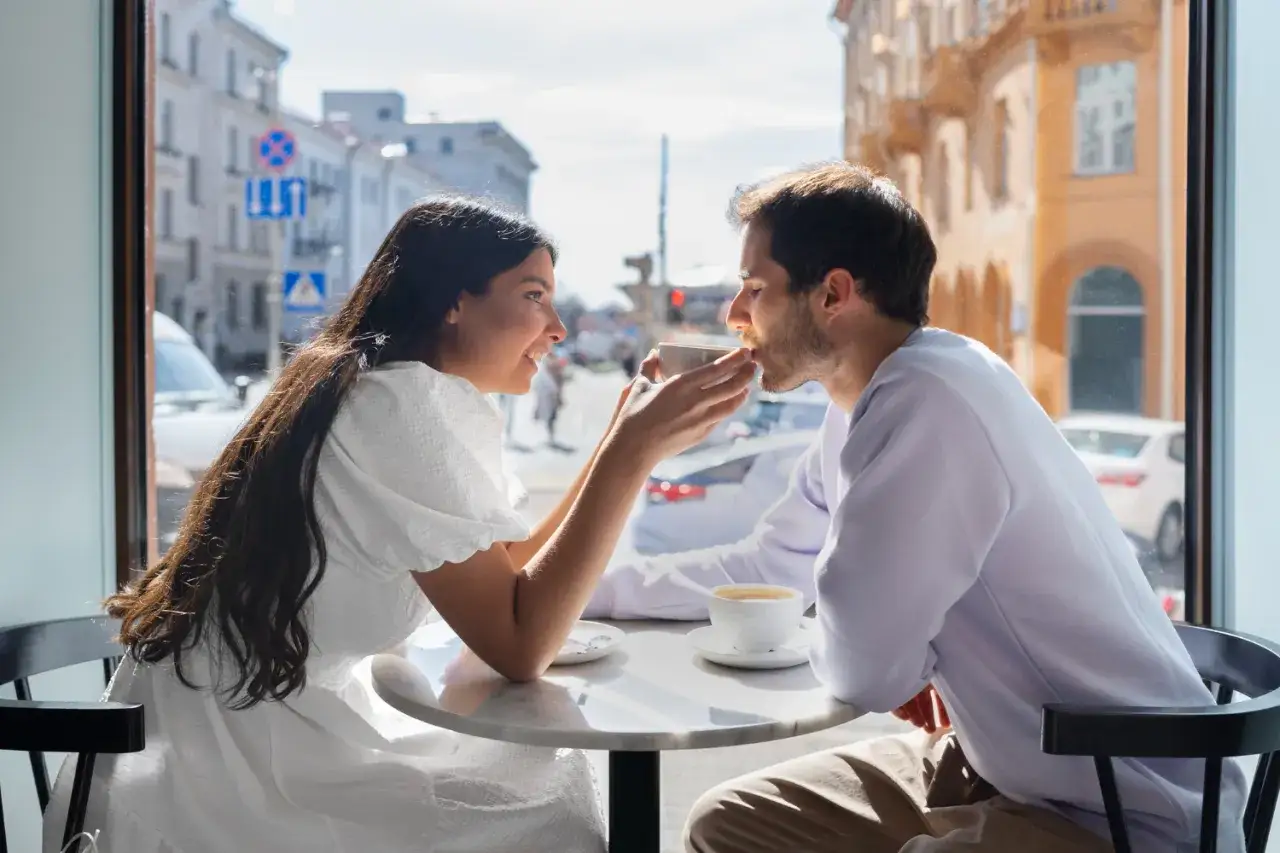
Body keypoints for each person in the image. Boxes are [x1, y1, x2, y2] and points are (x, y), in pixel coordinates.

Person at [43, 196, 757, 853]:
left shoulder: (402, 392)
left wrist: (616, 439)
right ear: (455, 301)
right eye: (533, 296)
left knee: (544, 776)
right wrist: (631, 454)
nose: (559, 327)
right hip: (226, 762)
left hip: (258, 719)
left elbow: (505, 569)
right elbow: (519, 642)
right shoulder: (396, 405)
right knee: (550, 811)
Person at [583, 162, 1247, 853]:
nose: (733, 316)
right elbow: (772, 562)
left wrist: (909, 653)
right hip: (1007, 765)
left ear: (834, 293)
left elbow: (866, 671)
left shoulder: (927, 399)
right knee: (727, 822)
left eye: (755, 289)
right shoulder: (869, 401)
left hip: (1117, 809)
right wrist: (584, 595)